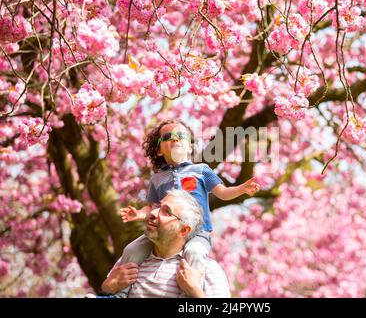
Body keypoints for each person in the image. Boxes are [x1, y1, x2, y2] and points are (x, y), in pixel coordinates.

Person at [108, 119, 259, 297]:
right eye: (168, 137)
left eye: (181, 136)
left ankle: (187, 293)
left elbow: (223, 192)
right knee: (131, 250)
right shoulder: (157, 178)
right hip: (167, 231)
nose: (175, 139)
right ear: (158, 150)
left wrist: (241, 189)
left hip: (198, 232)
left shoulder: (201, 170)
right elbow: (151, 207)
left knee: (194, 252)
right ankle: (120, 293)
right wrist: (139, 214)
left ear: (189, 147)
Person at [99, 189, 231, 298]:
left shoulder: (206, 270)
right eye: (157, 207)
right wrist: (107, 287)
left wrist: (195, 292)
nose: (152, 213)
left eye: (166, 212)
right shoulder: (132, 261)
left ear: (183, 230)